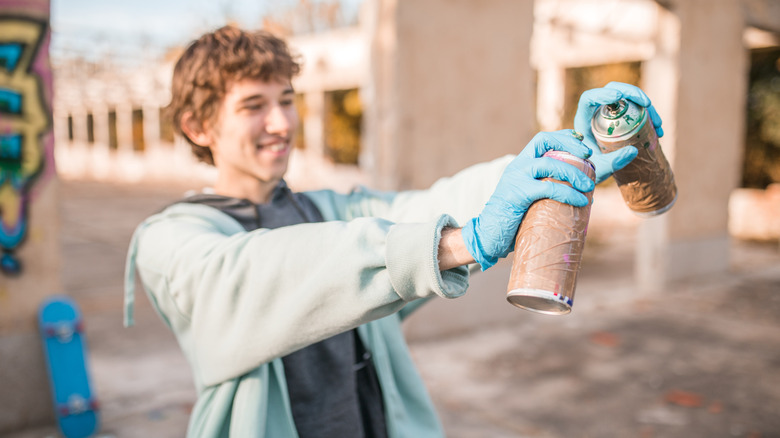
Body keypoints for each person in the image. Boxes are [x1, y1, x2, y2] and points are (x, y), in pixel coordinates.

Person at [123, 25, 661, 438]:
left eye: (286, 99)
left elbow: (431, 205)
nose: (282, 123)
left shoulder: (331, 208)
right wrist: (457, 243)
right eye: (253, 106)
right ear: (198, 126)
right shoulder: (170, 242)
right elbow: (262, 273)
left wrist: (559, 153)